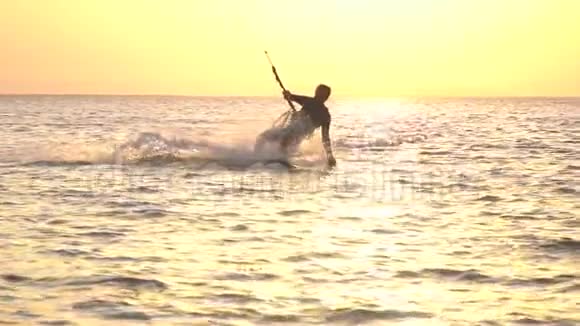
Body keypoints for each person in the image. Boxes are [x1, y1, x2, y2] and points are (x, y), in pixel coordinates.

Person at [255, 84, 336, 167]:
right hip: (287, 129)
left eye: (321, 94)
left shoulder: (325, 115)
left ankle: (282, 161)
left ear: (326, 97)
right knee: (262, 137)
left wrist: (330, 156)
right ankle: (257, 157)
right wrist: (287, 94)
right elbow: (290, 97)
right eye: (318, 93)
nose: (318, 95)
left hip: (298, 134)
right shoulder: (308, 101)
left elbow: (325, 138)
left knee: (284, 142)